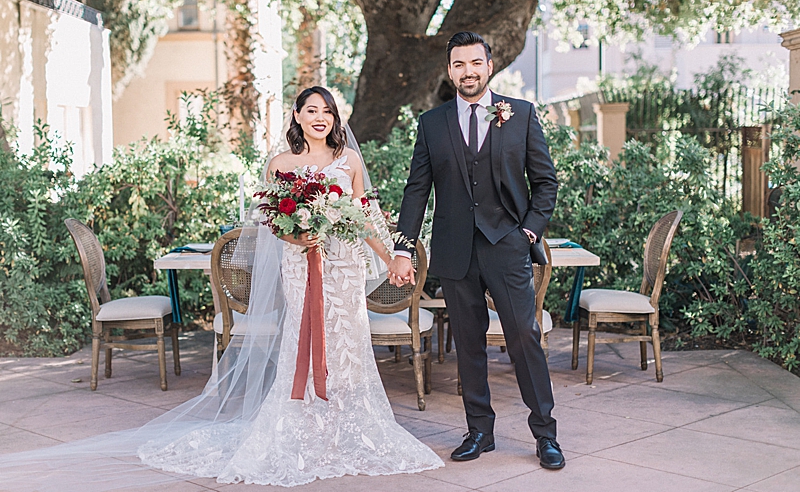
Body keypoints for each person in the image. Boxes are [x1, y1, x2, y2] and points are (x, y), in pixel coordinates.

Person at [0, 87, 443, 490]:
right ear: (297, 115)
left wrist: (392, 256)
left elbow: (366, 217)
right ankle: (304, 422)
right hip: (300, 264)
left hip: (343, 267)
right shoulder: (280, 164)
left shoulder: (349, 162)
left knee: (347, 341)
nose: (320, 117)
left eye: (327, 111)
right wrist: (298, 237)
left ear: (335, 118)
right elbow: (273, 222)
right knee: (302, 337)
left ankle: (347, 425)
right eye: (311, 110)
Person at [387, 32, 565, 469]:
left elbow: (545, 182)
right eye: (459, 64)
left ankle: (545, 434)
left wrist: (528, 233)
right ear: (450, 71)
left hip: (507, 245)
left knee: (524, 337)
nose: (468, 72)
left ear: (489, 66)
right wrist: (403, 249)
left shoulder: (521, 114)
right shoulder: (432, 123)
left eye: (475, 63)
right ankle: (480, 431)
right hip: (455, 250)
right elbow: (417, 191)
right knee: (468, 344)